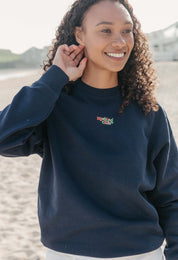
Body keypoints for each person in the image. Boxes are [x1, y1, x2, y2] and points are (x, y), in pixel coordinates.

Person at [0, 0, 177, 259]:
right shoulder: (53, 105)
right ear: (79, 34)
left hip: (141, 253)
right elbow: (4, 137)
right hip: (68, 253)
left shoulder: (149, 112)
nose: (120, 41)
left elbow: (171, 195)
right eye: (106, 30)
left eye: (127, 31)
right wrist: (54, 78)